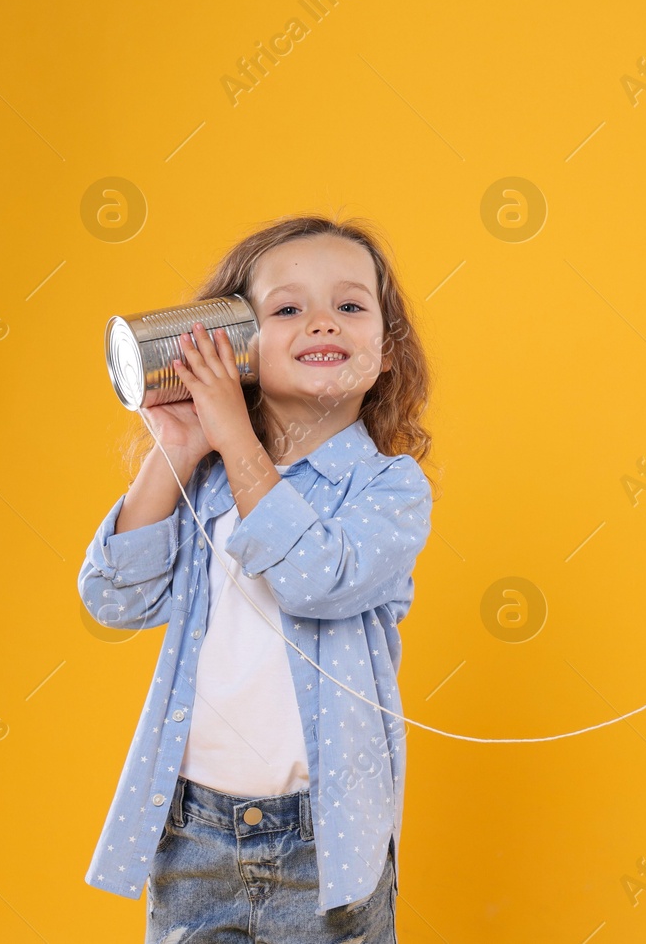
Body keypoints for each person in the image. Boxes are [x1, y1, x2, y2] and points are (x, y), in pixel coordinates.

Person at [77, 215, 434, 942]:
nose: (321, 322)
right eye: (288, 308)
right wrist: (176, 451)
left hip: (323, 841)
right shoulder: (206, 485)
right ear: (234, 344)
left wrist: (235, 437)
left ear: (388, 352)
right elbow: (113, 599)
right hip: (193, 829)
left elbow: (315, 576)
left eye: (351, 305)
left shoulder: (389, 490)